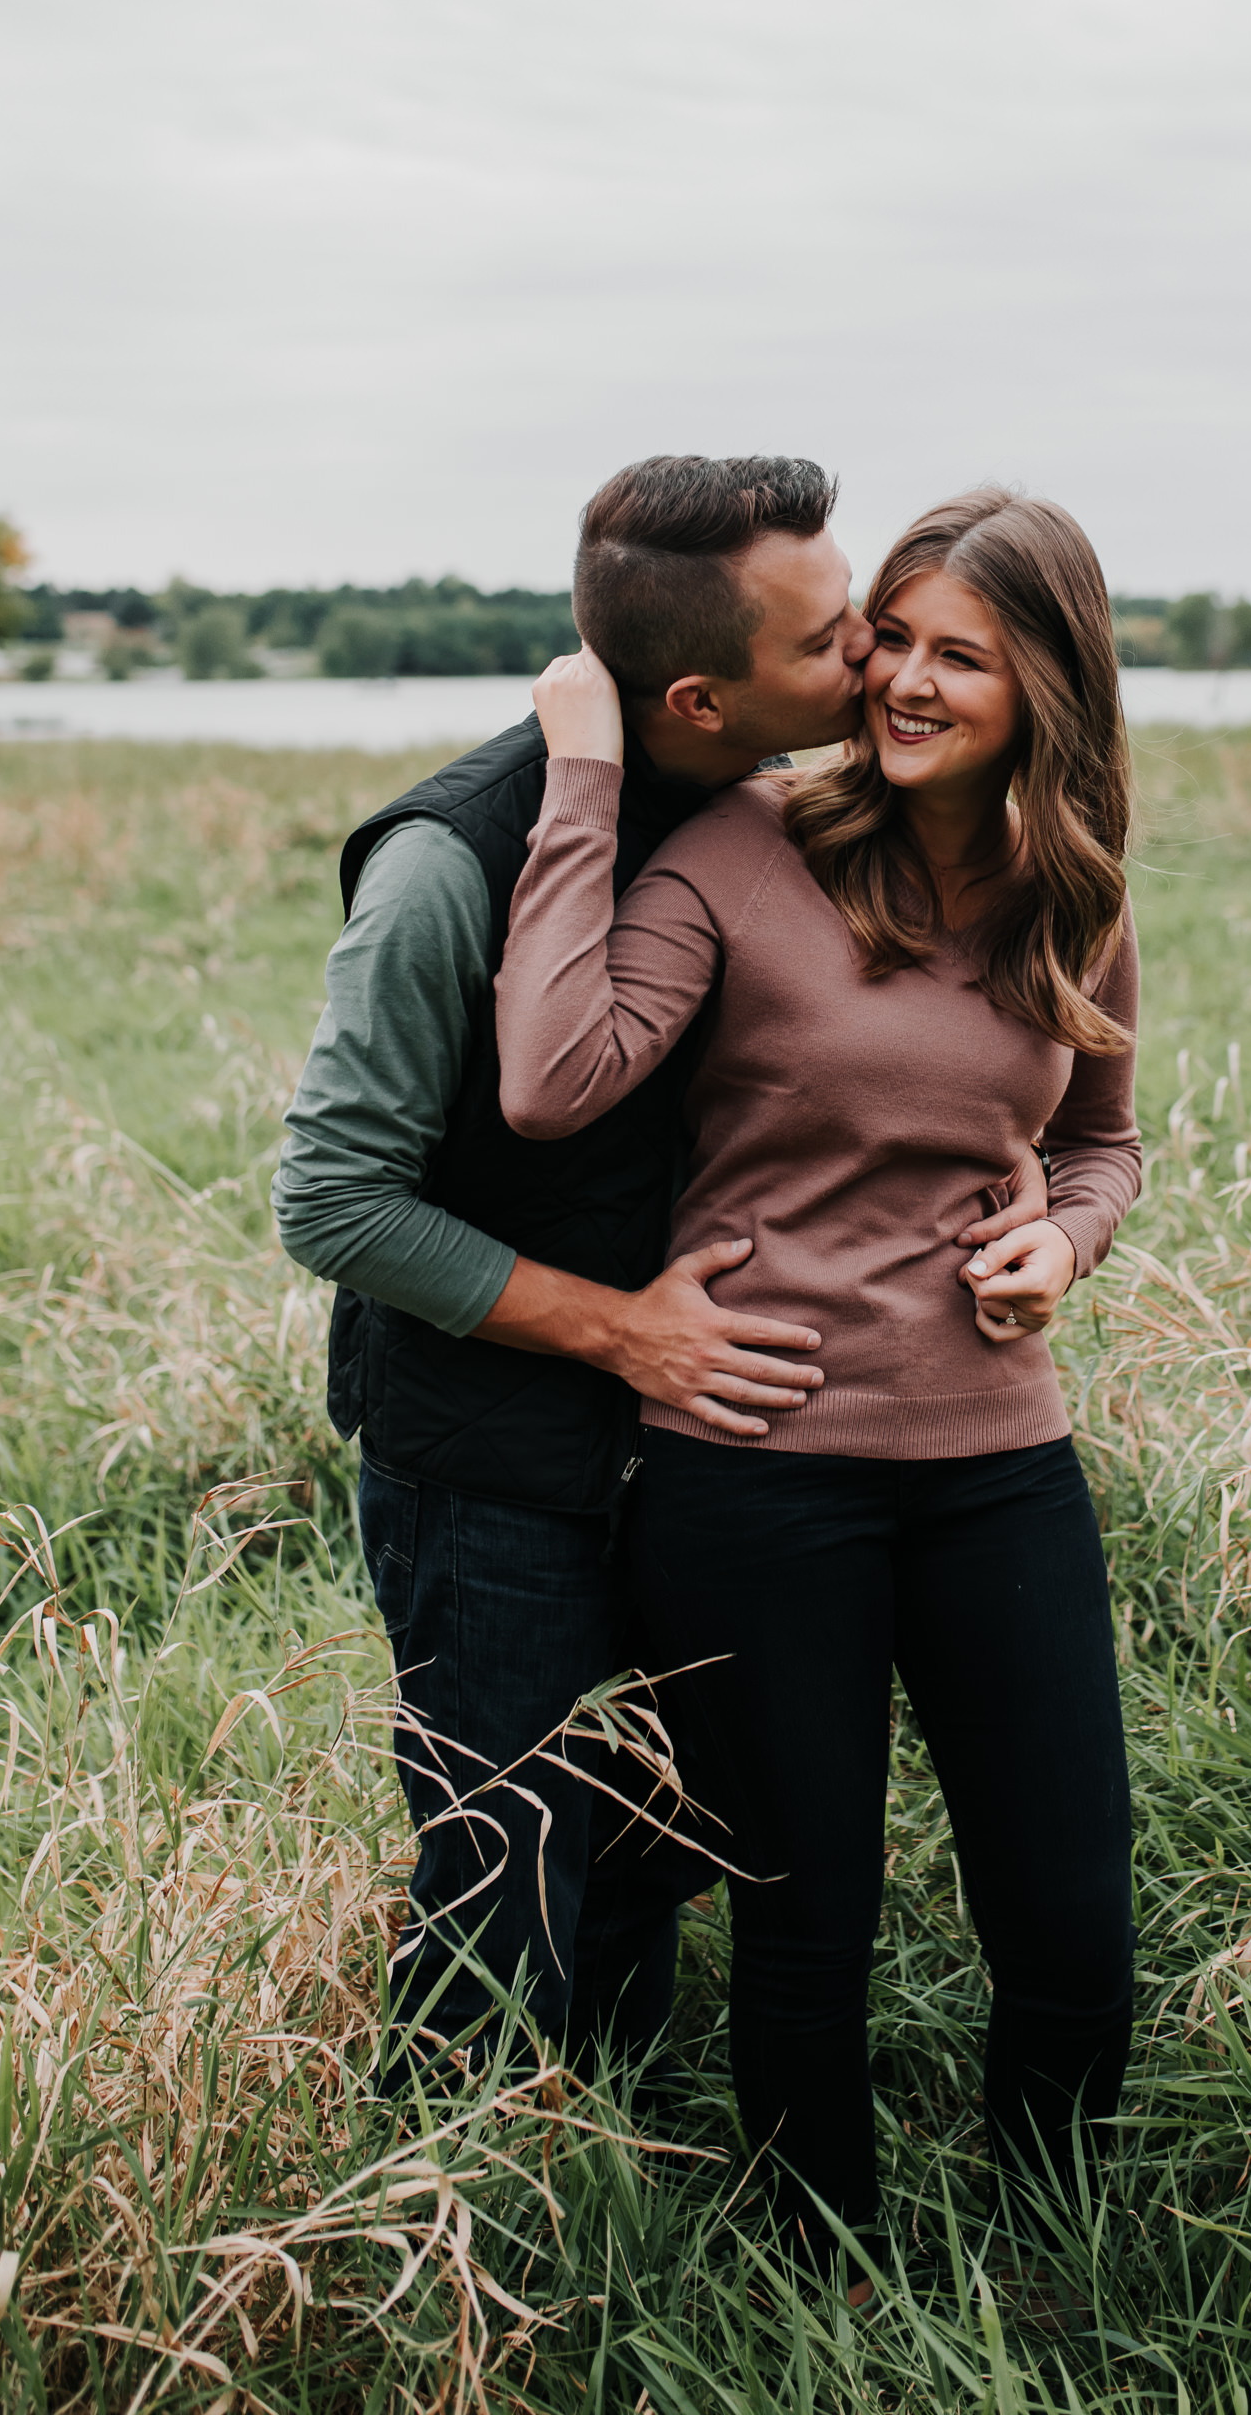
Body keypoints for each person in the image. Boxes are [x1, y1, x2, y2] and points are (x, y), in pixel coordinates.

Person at [273, 456, 1050, 2086]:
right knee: (510, 1865)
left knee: (688, 1820)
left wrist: (1009, 1160)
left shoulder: (774, 814)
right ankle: (447, 2217)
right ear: (702, 694)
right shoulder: (448, 868)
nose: (873, 659)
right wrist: (623, 1334)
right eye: (836, 635)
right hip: (494, 1462)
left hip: (714, 1456)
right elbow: (334, 1202)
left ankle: (620, 2131)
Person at [493, 487, 1142, 2257]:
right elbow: (555, 1080)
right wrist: (588, 783)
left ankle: (1065, 2250)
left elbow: (1103, 1142)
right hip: (758, 1463)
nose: (903, 680)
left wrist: (1062, 1241)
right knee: (806, 1919)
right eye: (895, 637)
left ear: (1050, 691)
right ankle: (820, 2270)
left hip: (1002, 1462)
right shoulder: (744, 851)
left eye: (961, 658)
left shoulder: (1071, 895)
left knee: (1074, 1917)